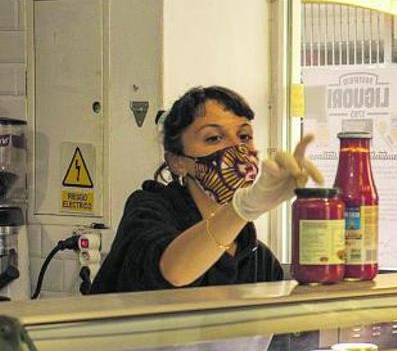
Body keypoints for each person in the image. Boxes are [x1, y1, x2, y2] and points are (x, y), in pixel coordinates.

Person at [90, 86, 321, 294]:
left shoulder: (260, 262)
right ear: (178, 162)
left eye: (244, 136)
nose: (236, 147)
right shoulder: (149, 211)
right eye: (213, 138)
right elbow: (174, 272)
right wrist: (243, 208)